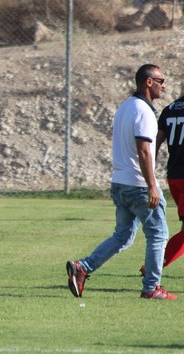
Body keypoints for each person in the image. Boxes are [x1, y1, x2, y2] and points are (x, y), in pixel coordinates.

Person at [66, 64, 176, 299]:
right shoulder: (144, 112)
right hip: (138, 184)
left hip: (119, 182)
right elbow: (144, 151)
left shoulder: (124, 107)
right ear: (148, 82)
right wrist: (151, 186)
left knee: (122, 236)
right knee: (158, 235)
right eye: (161, 80)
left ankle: (82, 267)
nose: (164, 86)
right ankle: (151, 288)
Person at [154, 93, 184, 267]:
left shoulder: (170, 109)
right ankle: (154, 265)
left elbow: (156, 143)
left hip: (174, 174)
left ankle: (155, 265)